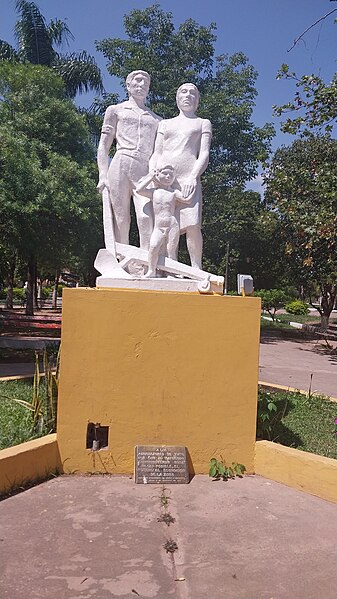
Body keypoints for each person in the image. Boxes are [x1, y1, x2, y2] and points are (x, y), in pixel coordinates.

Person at [96, 70, 161, 249]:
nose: (141, 85)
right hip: (121, 164)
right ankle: (122, 260)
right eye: (137, 81)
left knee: (146, 218)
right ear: (128, 85)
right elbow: (103, 145)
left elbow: (159, 152)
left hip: (145, 170)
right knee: (121, 219)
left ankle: (148, 264)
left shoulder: (157, 120)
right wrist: (103, 174)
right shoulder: (115, 110)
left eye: (145, 83)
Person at [150, 83, 212, 269]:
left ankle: (196, 267)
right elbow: (157, 153)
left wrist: (193, 176)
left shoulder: (203, 123)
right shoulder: (165, 124)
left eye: (193, 93)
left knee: (192, 224)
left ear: (198, 100)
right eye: (183, 92)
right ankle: (170, 267)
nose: (188, 95)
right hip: (165, 181)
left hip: (188, 179)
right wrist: (154, 171)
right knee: (166, 225)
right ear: (177, 98)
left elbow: (204, 154)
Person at [135, 166, 192, 277]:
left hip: (172, 224)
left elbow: (187, 199)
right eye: (165, 174)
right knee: (153, 247)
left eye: (171, 175)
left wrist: (191, 186)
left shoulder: (174, 192)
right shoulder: (154, 192)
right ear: (158, 175)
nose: (168, 177)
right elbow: (139, 190)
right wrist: (150, 177)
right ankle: (152, 271)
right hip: (159, 226)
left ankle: (172, 273)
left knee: (171, 250)